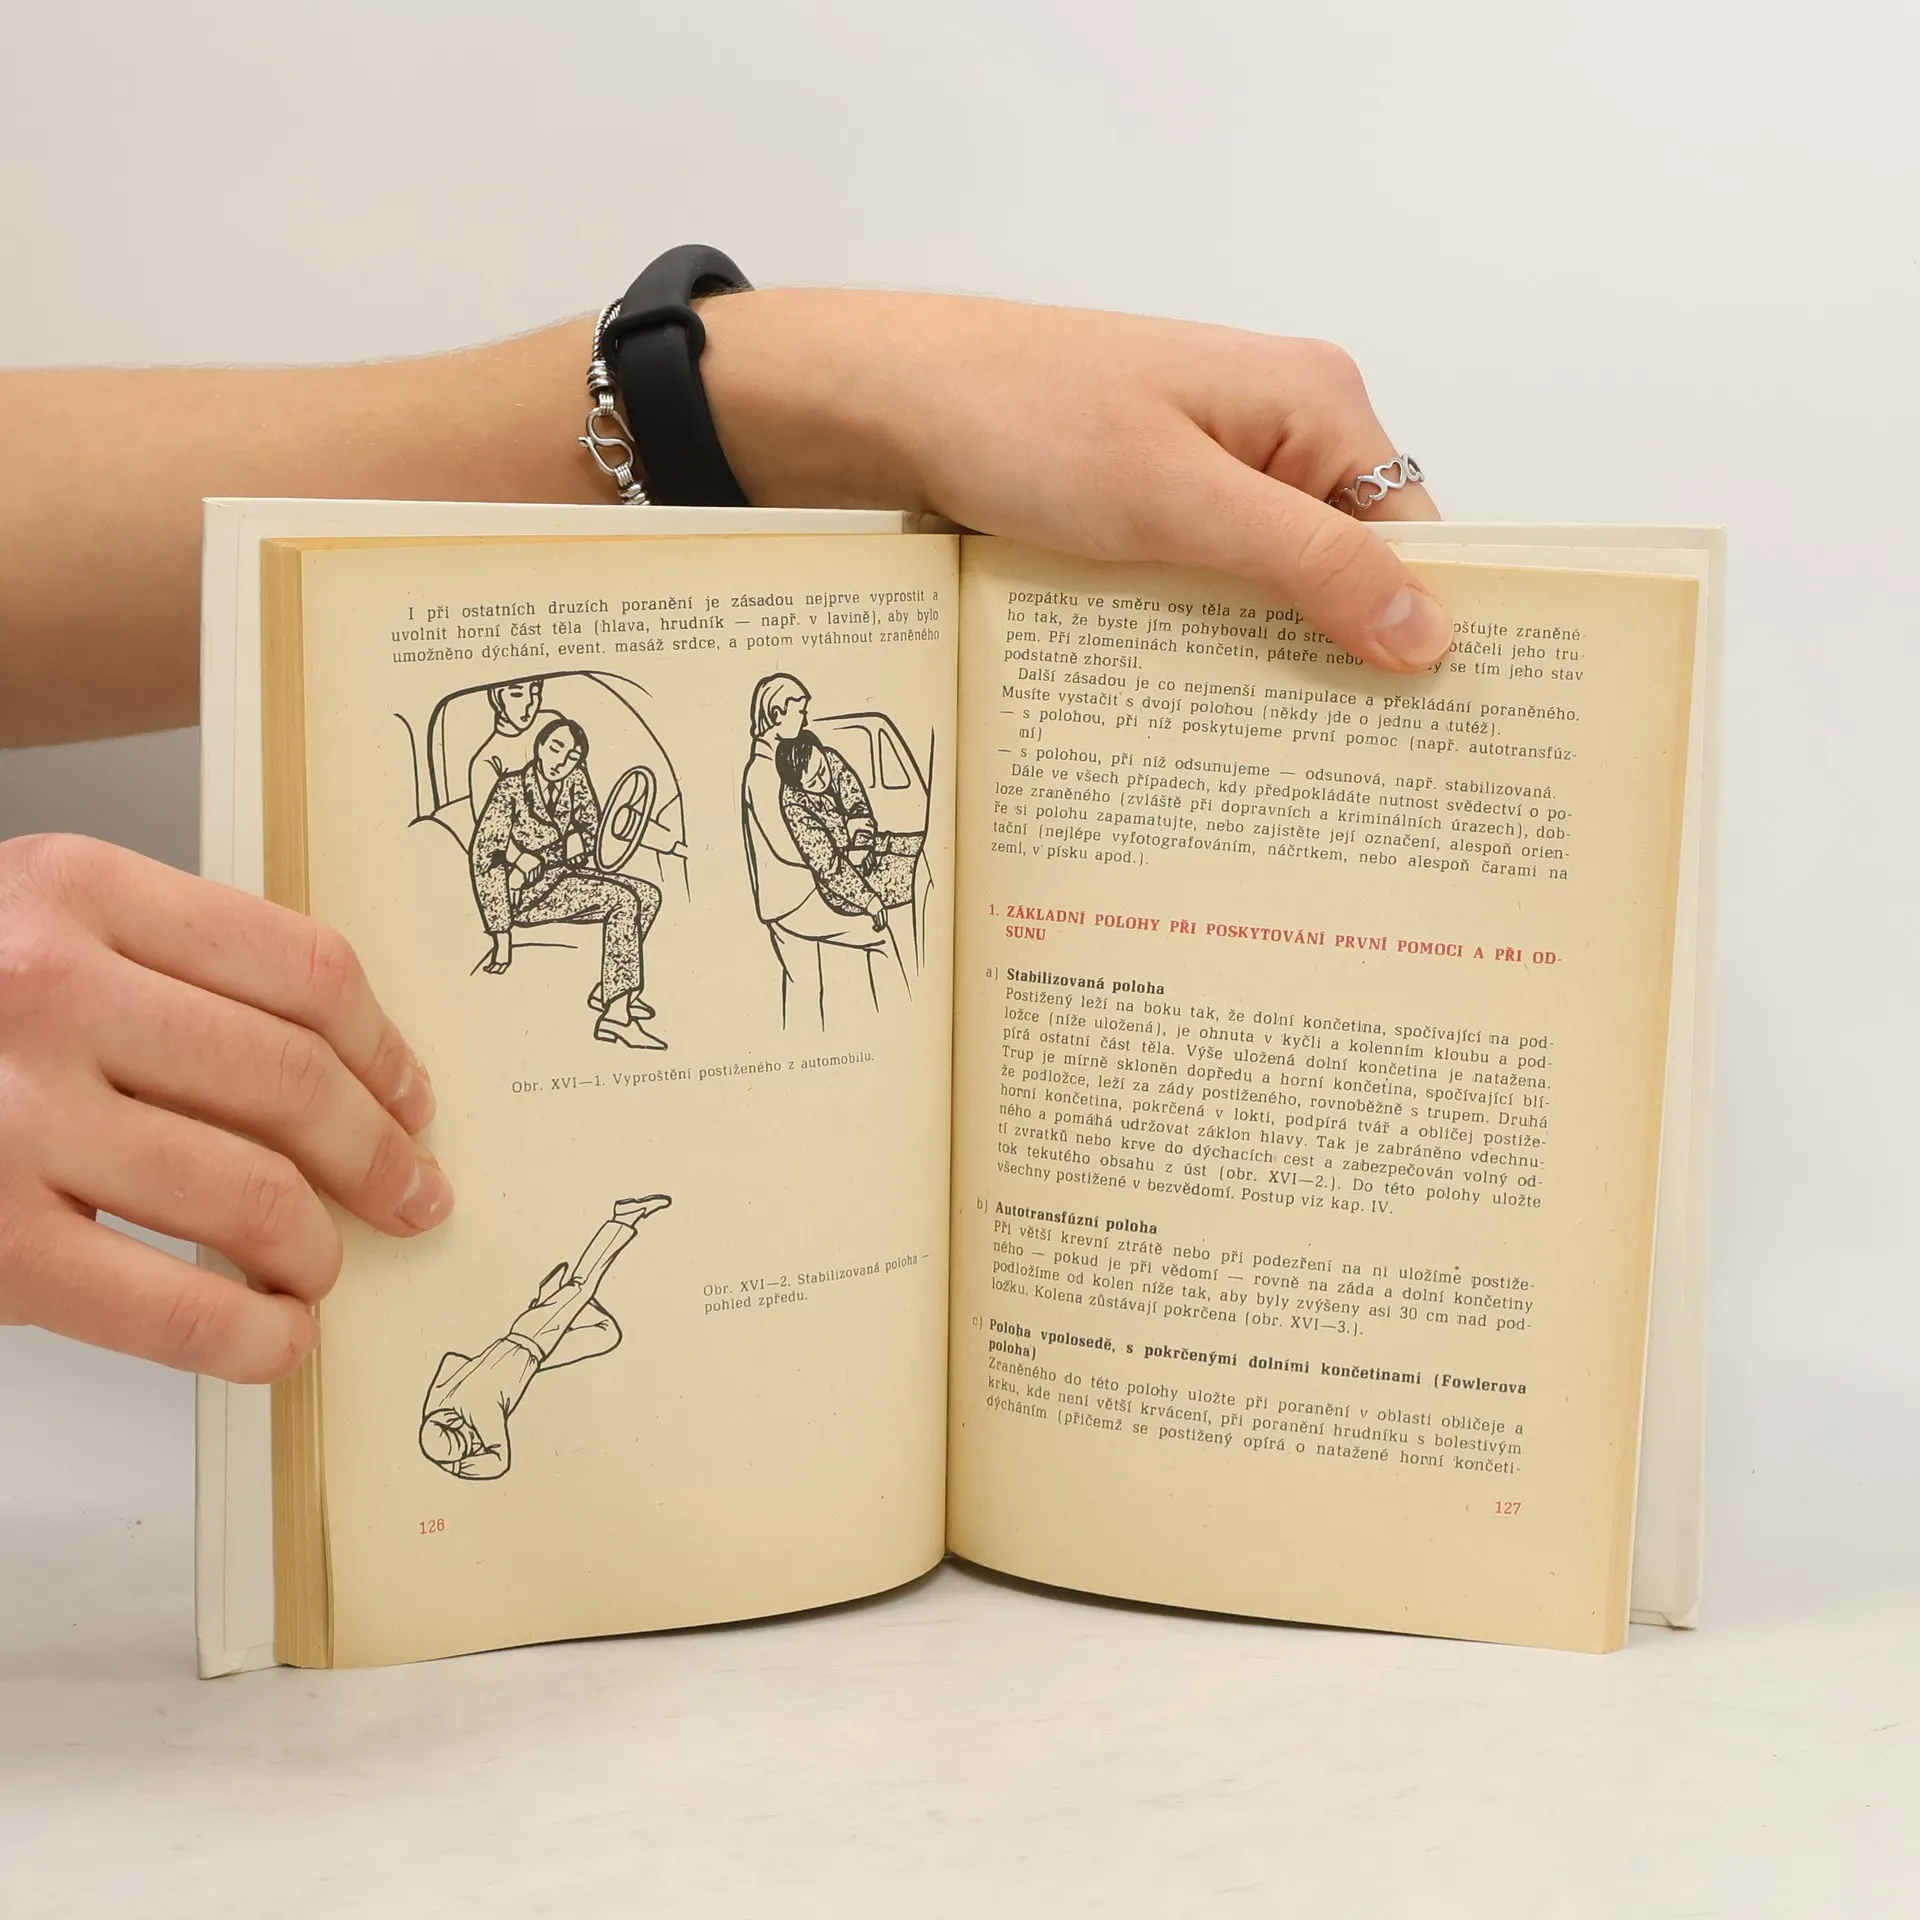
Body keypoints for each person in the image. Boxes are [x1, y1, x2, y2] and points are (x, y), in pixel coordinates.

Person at [0, 285, 1447, 1383]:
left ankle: (637, 993)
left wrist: (785, 384)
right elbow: (544, 843)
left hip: (689, 870)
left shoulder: (700, 768)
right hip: (573, 904)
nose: (557, 750)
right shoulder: (596, 781)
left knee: (670, 890)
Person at [469, 716, 666, 1049]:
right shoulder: (511, 787)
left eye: (572, 756)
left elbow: (594, 829)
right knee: (624, 900)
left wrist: (578, 839)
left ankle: (610, 991)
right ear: (540, 746)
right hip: (525, 895)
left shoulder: (575, 780)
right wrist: (501, 934)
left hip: (563, 878)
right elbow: (485, 852)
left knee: (647, 895)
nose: (561, 762)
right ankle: (616, 1018)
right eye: (555, 748)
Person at [740, 673, 898, 1024]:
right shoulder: (764, 773)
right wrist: (850, 861)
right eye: (799, 711)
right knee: (884, 938)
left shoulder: (790, 757)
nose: (805, 718)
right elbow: (791, 847)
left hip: (800, 894)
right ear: (777, 714)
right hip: (796, 899)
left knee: (804, 986)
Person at [775, 728, 924, 930]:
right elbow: (828, 867)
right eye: (812, 782)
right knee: (920, 874)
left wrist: (862, 845)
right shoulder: (793, 805)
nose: (822, 781)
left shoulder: (830, 758)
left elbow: (858, 805)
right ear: (799, 786)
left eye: (822, 770)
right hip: (845, 885)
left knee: (929, 844)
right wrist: (870, 901)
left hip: (871, 845)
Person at [466, 677, 561, 820]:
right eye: (517, 694)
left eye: (535, 692)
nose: (530, 703)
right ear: (497, 698)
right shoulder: (487, 761)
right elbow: (490, 827)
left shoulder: (552, 723)